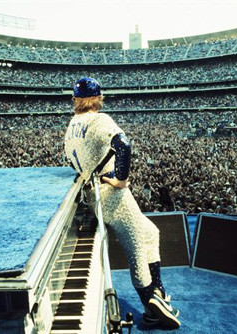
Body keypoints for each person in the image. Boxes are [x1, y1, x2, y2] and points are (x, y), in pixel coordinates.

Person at [64, 77, 181, 329]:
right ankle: (150, 303)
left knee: (151, 231)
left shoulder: (72, 124)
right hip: (111, 194)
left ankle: (157, 290)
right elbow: (123, 145)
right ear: (98, 97)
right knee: (136, 246)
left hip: (92, 193)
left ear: (75, 99)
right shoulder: (99, 119)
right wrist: (120, 178)